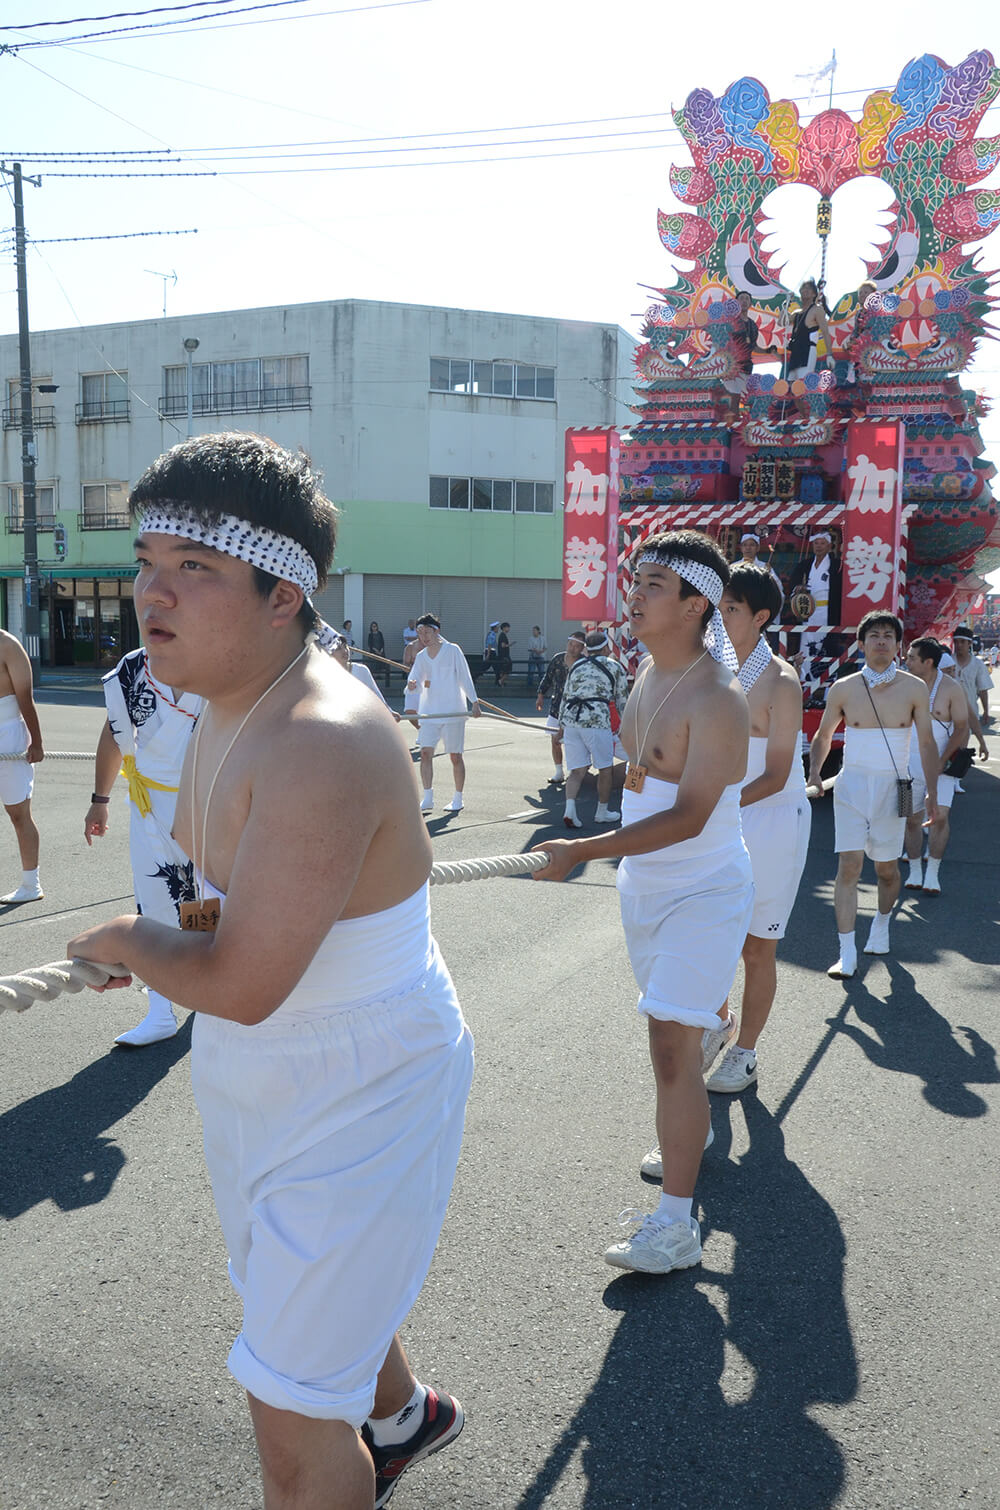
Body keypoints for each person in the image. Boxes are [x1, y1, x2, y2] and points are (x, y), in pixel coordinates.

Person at [66, 432, 473, 1510]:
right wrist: (180, 949)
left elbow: (244, 980)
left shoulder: (320, 735)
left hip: (363, 1077)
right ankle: (402, 1413)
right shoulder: (213, 697)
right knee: (295, 1298)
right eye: (149, 559)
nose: (153, 591)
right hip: (259, 1059)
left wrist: (134, 942)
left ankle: (366, 1432)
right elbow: (225, 932)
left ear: (282, 592)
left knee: (290, 1422)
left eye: (193, 568)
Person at [530, 530, 752, 1276]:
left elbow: (690, 815)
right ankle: (708, 1042)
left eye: (653, 584)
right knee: (677, 1045)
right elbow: (640, 775)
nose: (634, 594)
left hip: (705, 890)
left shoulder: (721, 697)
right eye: (635, 581)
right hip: (645, 885)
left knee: (665, 1045)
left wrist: (579, 852)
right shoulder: (645, 678)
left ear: (697, 604)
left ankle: (676, 1225)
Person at [708, 563, 810, 1093]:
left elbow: (775, 773)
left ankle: (745, 1052)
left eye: (730, 609)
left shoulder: (781, 681)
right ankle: (719, 1023)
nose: (718, 617)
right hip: (725, 814)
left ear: (760, 617)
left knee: (756, 947)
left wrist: (720, 803)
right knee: (717, 933)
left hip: (771, 818)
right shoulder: (713, 668)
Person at [806, 611, 939, 979]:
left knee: (885, 870)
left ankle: (881, 923)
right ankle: (846, 951)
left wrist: (930, 792)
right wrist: (816, 773)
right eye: (874, 635)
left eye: (888, 636)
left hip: (895, 787)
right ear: (861, 644)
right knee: (848, 866)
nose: (881, 640)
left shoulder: (914, 687)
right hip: (851, 785)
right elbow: (822, 735)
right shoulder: (844, 687)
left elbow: (926, 742)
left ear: (898, 646)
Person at [85, 647, 202, 1046]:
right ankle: (160, 1010)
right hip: (149, 802)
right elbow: (115, 731)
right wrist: (100, 800)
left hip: (212, 802)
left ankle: (209, 994)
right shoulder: (133, 668)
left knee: (207, 901)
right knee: (153, 902)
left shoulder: (227, 655)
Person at [902, 637, 969, 895]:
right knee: (910, 819)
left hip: (943, 764)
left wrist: (943, 761)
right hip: (907, 766)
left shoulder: (951, 688)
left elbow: (961, 726)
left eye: (911, 657)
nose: (906, 661)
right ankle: (915, 870)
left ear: (927, 662)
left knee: (940, 817)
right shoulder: (903, 685)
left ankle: (933, 873)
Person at [404, 612, 481, 813]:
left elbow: (465, 676)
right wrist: (412, 685)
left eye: (427, 632)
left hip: (453, 711)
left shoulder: (452, 650)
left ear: (436, 631)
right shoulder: (420, 657)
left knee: (455, 756)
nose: (423, 637)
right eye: (420, 633)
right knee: (425, 752)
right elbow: (414, 683)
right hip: (429, 713)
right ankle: (428, 797)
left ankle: (458, 798)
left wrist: (474, 701)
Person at [559, 630, 628, 828]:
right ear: (606, 647)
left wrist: (562, 726)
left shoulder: (576, 665)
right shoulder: (614, 666)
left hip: (572, 720)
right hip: (596, 721)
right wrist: (627, 726)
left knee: (576, 771)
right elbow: (623, 700)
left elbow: (566, 695)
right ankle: (602, 812)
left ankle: (569, 810)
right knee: (605, 769)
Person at [0, 628, 44, 903]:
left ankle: (31, 884)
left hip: (9, 734)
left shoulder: (8, 645)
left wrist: (37, 742)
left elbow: (26, 699)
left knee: (19, 814)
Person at [535, 630, 586, 785]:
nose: (573, 648)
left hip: (576, 710)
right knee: (555, 740)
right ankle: (558, 772)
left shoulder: (584, 663)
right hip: (556, 706)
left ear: (582, 648)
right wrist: (540, 695)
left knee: (574, 743)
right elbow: (548, 677)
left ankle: (576, 773)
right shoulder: (558, 659)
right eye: (571, 644)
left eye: (577, 646)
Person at [787, 532, 842, 663]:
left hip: (827, 610)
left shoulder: (836, 564)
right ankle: (805, 675)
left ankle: (826, 677)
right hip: (808, 609)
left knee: (826, 644)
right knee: (807, 642)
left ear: (829, 546)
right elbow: (793, 582)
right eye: (816, 543)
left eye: (822, 543)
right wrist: (798, 588)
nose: (819, 546)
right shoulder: (806, 564)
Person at [952, 626, 992, 725]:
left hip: (970, 713)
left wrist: (986, 711)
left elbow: (983, 690)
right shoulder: (948, 662)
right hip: (948, 714)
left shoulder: (978, 664)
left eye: (962, 642)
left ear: (969, 643)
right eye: (956, 642)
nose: (959, 645)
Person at [331, 635, 387, 705]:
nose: (345, 651)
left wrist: (389, 711)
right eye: (338, 648)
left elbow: (376, 694)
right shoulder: (326, 675)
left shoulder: (362, 670)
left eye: (345, 646)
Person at [366, 621, 388, 690]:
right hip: (374, 651)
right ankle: (374, 676)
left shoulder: (380, 633)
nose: (374, 628)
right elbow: (370, 644)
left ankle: (379, 675)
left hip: (381, 651)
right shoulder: (370, 635)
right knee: (374, 664)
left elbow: (382, 642)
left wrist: (381, 650)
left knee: (380, 663)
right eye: (373, 626)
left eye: (375, 626)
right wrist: (376, 650)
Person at [495, 622, 512, 687]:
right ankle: (501, 681)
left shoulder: (502, 635)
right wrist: (509, 645)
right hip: (504, 656)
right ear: (504, 628)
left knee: (503, 670)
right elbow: (503, 645)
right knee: (508, 670)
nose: (509, 629)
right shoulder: (502, 635)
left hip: (502, 656)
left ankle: (501, 682)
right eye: (508, 627)